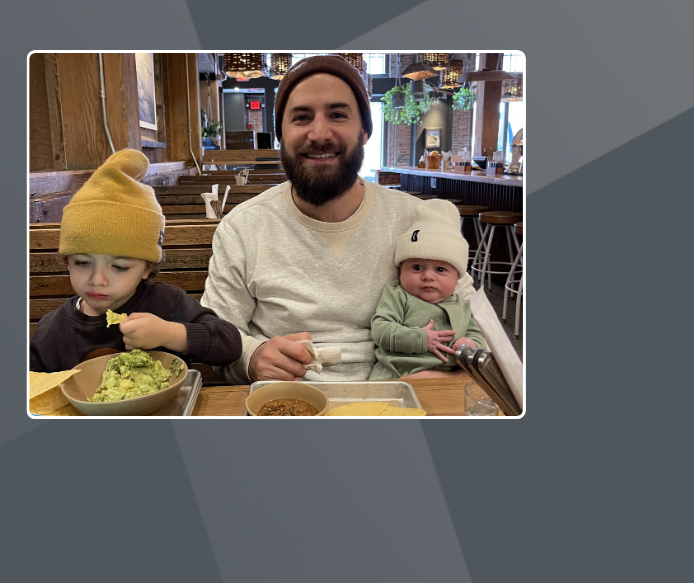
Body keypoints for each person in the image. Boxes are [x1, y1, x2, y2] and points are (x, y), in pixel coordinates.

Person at [201, 55, 476, 382]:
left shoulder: (415, 219)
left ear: (363, 131)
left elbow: (475, 321)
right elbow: (217, 334)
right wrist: (251, 357)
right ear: (281, 135)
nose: (318, 133)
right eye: (301, 117)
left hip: (407, 393)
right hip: (287, 400)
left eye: (337, 114)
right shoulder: (243, 228)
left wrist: (448, 379)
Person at [29, 149, 242, 373]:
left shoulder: (168, 304)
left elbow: (230, 344)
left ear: (147, 268)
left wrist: (170, 334)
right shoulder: (52, 329)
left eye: (119, 266)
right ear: (67, 261)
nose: (97, 280)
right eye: (82, 262)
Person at [370, 200, 485, 380]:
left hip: (449, 378)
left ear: (457, 280)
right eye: (417, 267)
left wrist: (469, 342)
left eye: (440, 269)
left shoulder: (462, 304)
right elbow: (381, 331)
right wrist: (420, 338)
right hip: (397, 374)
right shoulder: (398, 294)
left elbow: (476, 334)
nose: (428, 276)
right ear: (400, 271)